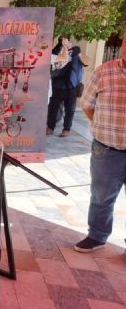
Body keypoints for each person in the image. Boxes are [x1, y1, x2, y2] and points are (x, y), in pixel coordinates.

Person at [74, 39, 126, 253]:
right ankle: (97, 235)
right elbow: (87, 104)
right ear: (124, 45)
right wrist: (101, 125)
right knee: (101, 196)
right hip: (107, 149)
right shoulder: (104, 71)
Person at [46, 45, 84, 137]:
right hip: (57, 85)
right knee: (53, 108)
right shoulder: (57, 50)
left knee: (70, 109)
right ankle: (50, 127)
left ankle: (66, 129)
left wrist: (79, 54)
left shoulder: (76, 52)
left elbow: (86, 62)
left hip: (71, 86)